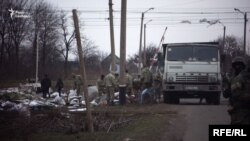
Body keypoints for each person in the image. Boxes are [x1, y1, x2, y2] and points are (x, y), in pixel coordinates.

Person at [223, 56, 250, 125]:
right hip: (238, 108)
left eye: (240, 65)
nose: (238, 67)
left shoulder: (246, 77)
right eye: (236, 65)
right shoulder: (233, 79)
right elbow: (226, 94)